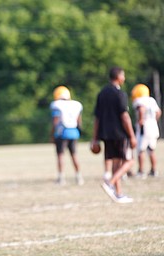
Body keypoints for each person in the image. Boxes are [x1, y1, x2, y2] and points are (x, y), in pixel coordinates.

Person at [92, 67, 137, 203]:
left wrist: (94, 138)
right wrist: (132, 135)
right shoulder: (120, 94)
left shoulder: (102, 93)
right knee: (129, 161)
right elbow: (124, 116)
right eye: (123, 75)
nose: (124, 77)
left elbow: (97, 118)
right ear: (118, 76)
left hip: (106, 133)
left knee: (116, 162)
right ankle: (110, 183)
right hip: (119, 133)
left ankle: (118, 194)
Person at [50, 85, 84, 185]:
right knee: (74, 155)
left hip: (62, 132)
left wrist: (52, 134)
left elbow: (55, 122)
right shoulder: (75, 105)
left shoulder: (57, 105)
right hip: (74, 132)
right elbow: (79, 121)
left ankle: (61, 178)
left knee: (60, 155)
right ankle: (79, 177)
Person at [131, 83, 162, 178]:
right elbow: (159, 112)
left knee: (141, 150)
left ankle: (141, 171)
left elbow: (141, 109)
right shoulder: (151, 100)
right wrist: (154, 120)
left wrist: (141, 120)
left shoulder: (139, 101)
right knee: (151, 150)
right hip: (153, 125)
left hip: (144, 127)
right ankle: (154, 170)